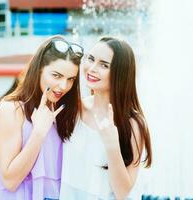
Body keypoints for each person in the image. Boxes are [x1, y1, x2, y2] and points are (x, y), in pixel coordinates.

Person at [0, 35, 83, 200]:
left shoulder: (61, 110)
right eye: (56, 76)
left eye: (70, 79)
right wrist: (38, 134)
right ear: (39, 70)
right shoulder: (12, 110)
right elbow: (10, 181)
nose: (63, 86)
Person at [60, 37, 152, 200]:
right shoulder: (73, 110)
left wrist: (112, 145)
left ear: (120, 73)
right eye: (91, 59)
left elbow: (123, 193)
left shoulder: (132, 124)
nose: (92, 68)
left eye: (104, 65)